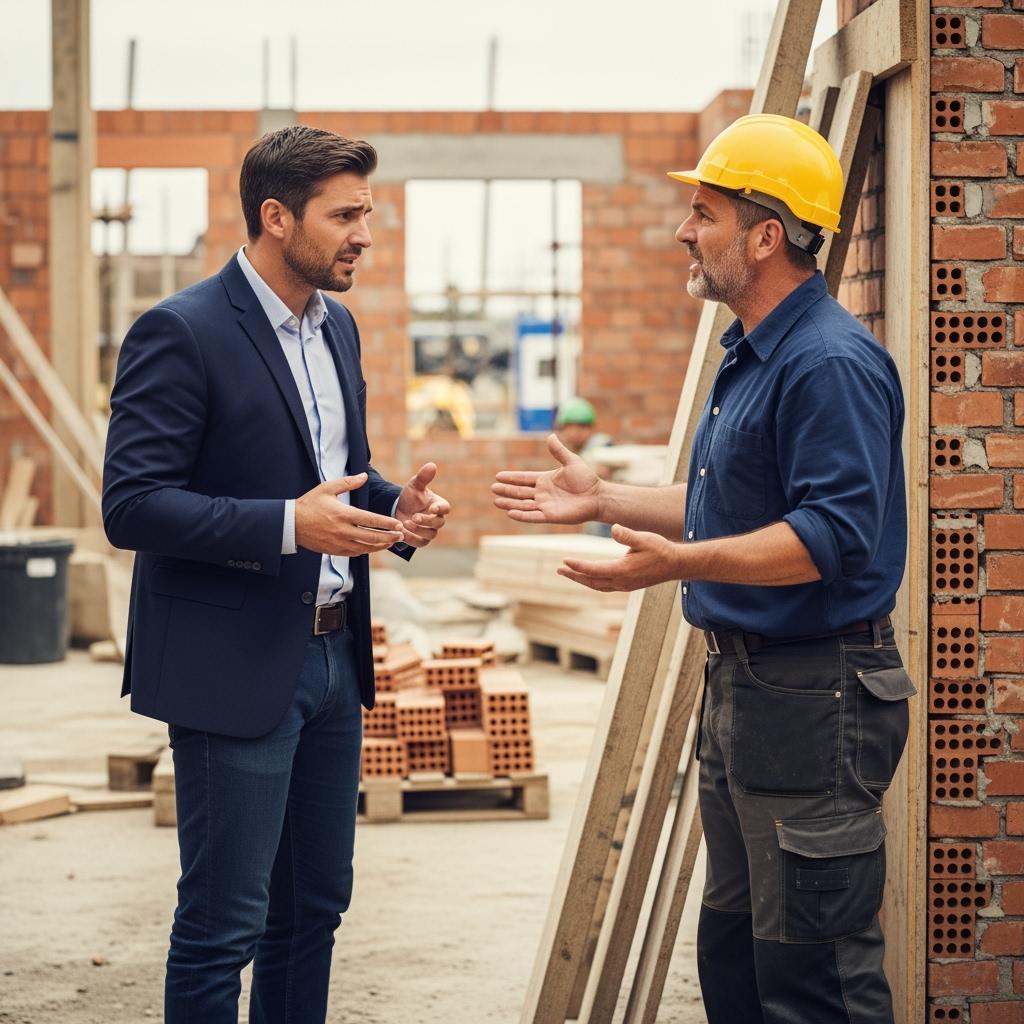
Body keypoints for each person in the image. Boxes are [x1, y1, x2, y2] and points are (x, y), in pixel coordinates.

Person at [492, 113, 913, 1024]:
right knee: (737, 956)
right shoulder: (758, 353)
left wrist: (677, 564)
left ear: (767, 236)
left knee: (814, 976)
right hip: (753, 693)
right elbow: (737, 506)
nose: (685, 230)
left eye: (705, 213)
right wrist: (605, 500)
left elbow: (826, 537)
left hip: (818, 696)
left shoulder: (828, 364)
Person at [103, 125, 450, 1023]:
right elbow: (132, 504)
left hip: (334, 664)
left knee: (313, 913)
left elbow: (336, 468)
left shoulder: (338, 330)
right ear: (275, 217)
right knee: (224, 923)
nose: (365, 234)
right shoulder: (180, 331)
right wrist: (289, 525)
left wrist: (392, 512)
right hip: (231, 668)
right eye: (345, 216)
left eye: (367, 214)